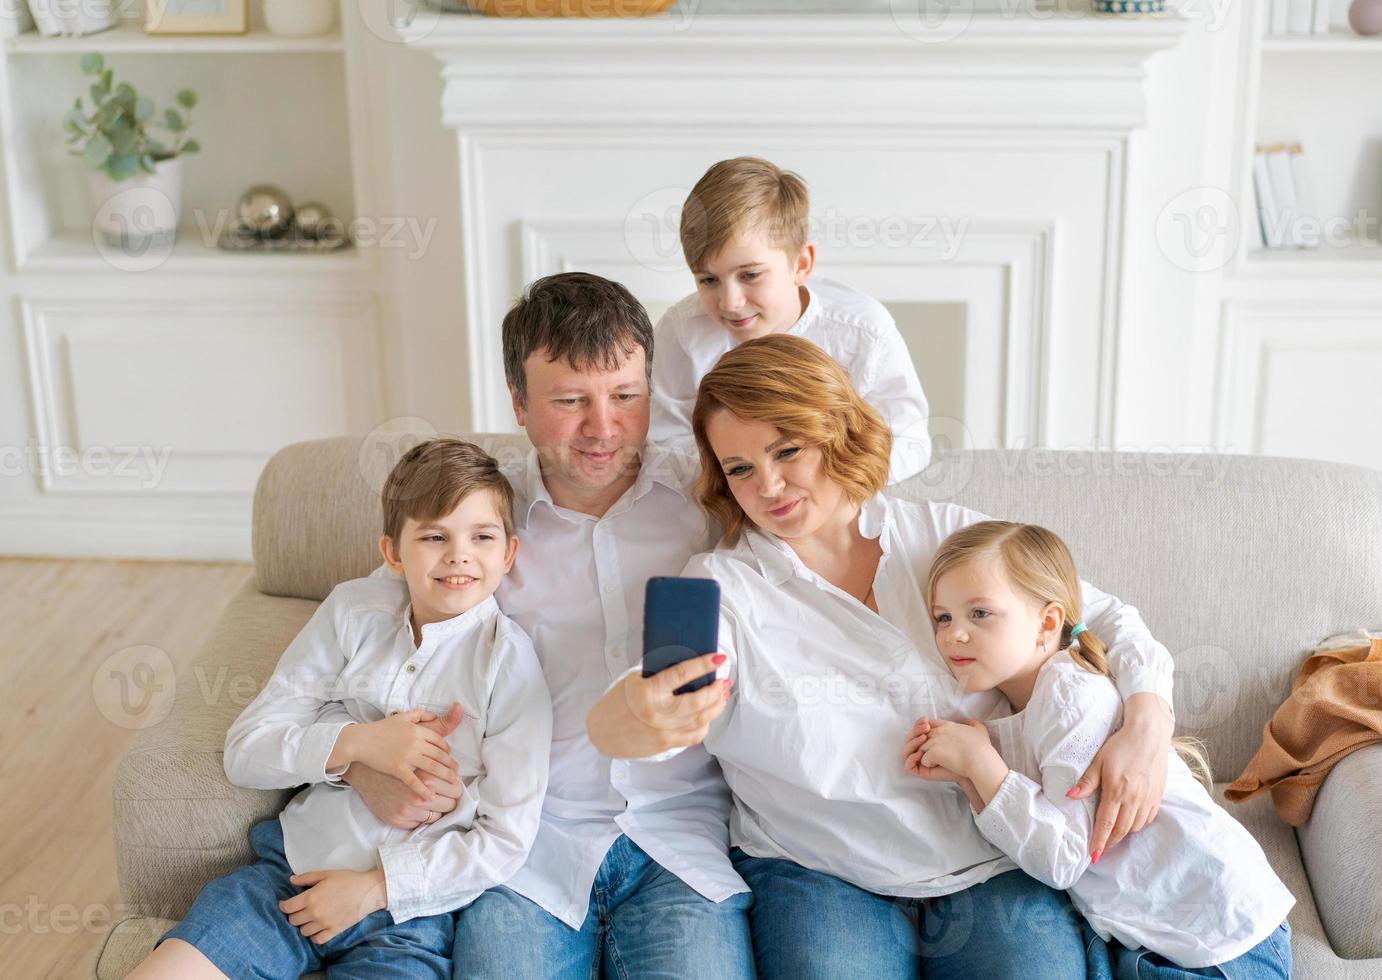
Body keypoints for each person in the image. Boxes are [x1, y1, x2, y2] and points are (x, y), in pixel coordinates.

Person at [590, 334, 1180, 978]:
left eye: (787, 451)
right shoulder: (721, 584)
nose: (770, 486)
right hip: (821, 872)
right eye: (740, 469)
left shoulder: (941, 535)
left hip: (991, 852)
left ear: (835, 430)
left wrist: (1149, 724)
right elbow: (653, 701)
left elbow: (1100, 617)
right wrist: (636, 712)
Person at [342, 273, 756, 978]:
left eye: (626, 397)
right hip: (523, 846)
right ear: (520, 406)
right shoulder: (475, 525)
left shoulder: (713, 498)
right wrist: (357, 765)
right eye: (569, 402)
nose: (603, 429)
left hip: (682, 839)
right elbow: (365, 653)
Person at [128, 438, 552, 979]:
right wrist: (357, 744)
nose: (459, 554)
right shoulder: (353, 612)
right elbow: (247, 749)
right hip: (291, 873)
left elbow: (506, 838)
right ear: (393, 552)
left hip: (411, 917)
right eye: (433, 536)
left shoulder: (507, 662)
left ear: (508, 553)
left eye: (482, 537)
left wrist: (378, 889)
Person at [908, 520, 1294, 978]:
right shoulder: (1023, 707)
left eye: (980, 614)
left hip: (1215, 940)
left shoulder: (1068, 694)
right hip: (1140, 935)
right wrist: (968, 778)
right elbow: (1034, 830)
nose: (954, 634)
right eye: (943, 617)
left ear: (1046, 622)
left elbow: (1063, 858)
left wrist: (980, 765)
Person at [647, 156, 933, 483]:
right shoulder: (682, 331)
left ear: (801, 264)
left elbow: (909, 441)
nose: (730, 302)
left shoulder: (863, 331)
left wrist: (821, 480)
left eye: (750, 275)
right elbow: (665, 438)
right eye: (708, 280)